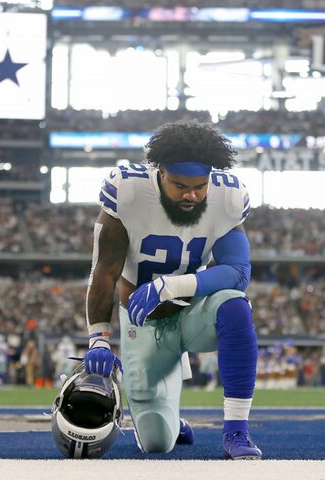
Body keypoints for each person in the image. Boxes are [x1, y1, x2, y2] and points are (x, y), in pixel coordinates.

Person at [82, 122, 260, 459]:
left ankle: (236, 430)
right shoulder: (129, 191)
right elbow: (105, 271)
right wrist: (99, 339)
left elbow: (238, 272)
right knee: (156, 443)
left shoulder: (228, 196)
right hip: (142, 320)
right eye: (180, 186)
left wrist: (169, 285)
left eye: (199, 186)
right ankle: (171, 420)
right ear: (160, 173)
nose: (191, 195)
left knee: (235, 305)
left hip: (192, 311)